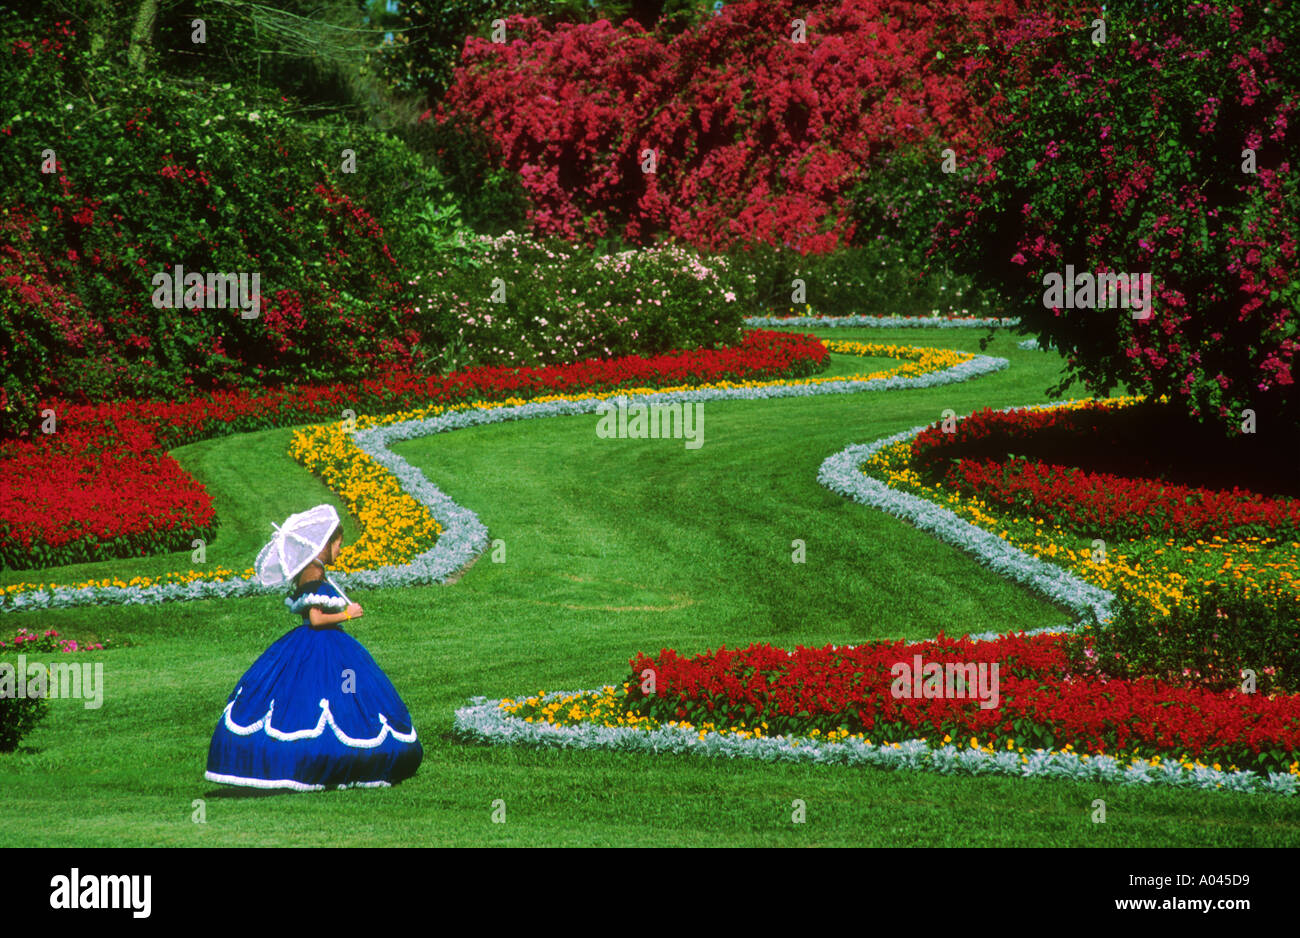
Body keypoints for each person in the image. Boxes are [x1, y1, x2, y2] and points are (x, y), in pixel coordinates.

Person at [205, 504, 423, 791]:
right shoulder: (313, 573)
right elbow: (316, 619)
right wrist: (348, 614)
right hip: (321, 643)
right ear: (327, 543)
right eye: (339, 545)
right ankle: (330, 760)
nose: (340, 552)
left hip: (322, 643)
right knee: (334, 695)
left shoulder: (313, 570)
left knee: (345, 690)